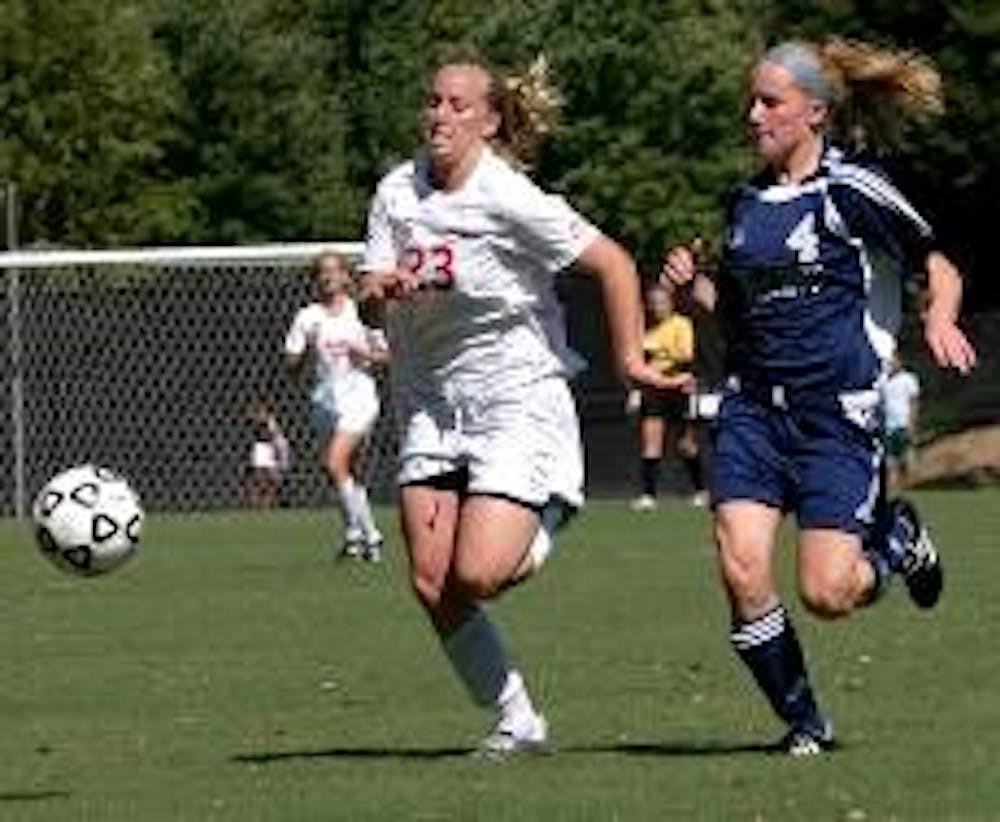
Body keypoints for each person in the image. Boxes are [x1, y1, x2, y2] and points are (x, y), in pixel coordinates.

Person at [663, 38, 977, 755]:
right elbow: (735, 316)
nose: (753, 115)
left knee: (828, 594)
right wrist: (692, 287)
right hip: (750, 412)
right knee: (741, 565)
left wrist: (938, 314)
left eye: (770, 102)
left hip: (834, 418)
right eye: (753, 100)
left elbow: (937, 261)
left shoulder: (853, 190)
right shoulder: (743, 204)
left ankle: (896, 541)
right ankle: (805, 722)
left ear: (815, 112)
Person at [359, 51, 677, 757]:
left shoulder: (509, 197)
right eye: (433, 101)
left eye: (457, 105)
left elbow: (615, 264)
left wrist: (629, 358)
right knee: (432, 581)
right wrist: (376, 295)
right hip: (430, 406)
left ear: (490, 121)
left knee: (478, 574)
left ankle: (556, 503)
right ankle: (517, 719)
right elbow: (371, 302)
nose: (439, 115)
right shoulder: (394, 194)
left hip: (515, 399)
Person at [285, 251, 390, 562]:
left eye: (334, 271)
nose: (328, 277)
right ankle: (357, 541)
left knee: (335, 462)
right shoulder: (308, 317)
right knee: (345, 472)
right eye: (321, 272)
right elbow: (291, 367)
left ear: (347, 276)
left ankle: (367, 534)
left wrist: (368, 356)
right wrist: (305, 353)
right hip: (325, 401)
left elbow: (389, 355)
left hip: (359, 399)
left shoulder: (362, 313)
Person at [627, 280, 705, 510]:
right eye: (653, 303)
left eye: (661, 302)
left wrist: (660, 369)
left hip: (678, 388)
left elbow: (684, 356)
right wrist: (636, 390)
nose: (657, 307)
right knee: (651, 442)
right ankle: (648, 496)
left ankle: (701, 490)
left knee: (686, 444)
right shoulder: (647, 331)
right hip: (653, 390)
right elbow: (639, 364)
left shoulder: (681, 324)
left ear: (670, 304)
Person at [881, 351, 921, 490]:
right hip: (887, 425)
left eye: (893, 362)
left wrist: (912, 423)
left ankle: (913, 484)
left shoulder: (908, 379)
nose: (890, 365)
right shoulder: (884, 381)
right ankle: (893, 487)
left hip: (903, 423)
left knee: (907, 455)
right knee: (890, 460)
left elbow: (914, 402)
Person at [246, 403, 292, 508]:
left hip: (271, 448)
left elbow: (275, 437)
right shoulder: (260, 424)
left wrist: (277, 452)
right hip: (263, 448)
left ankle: (268, 503)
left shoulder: (272, 424)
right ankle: (257, 502)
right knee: (259, 477)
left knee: (271, 479)